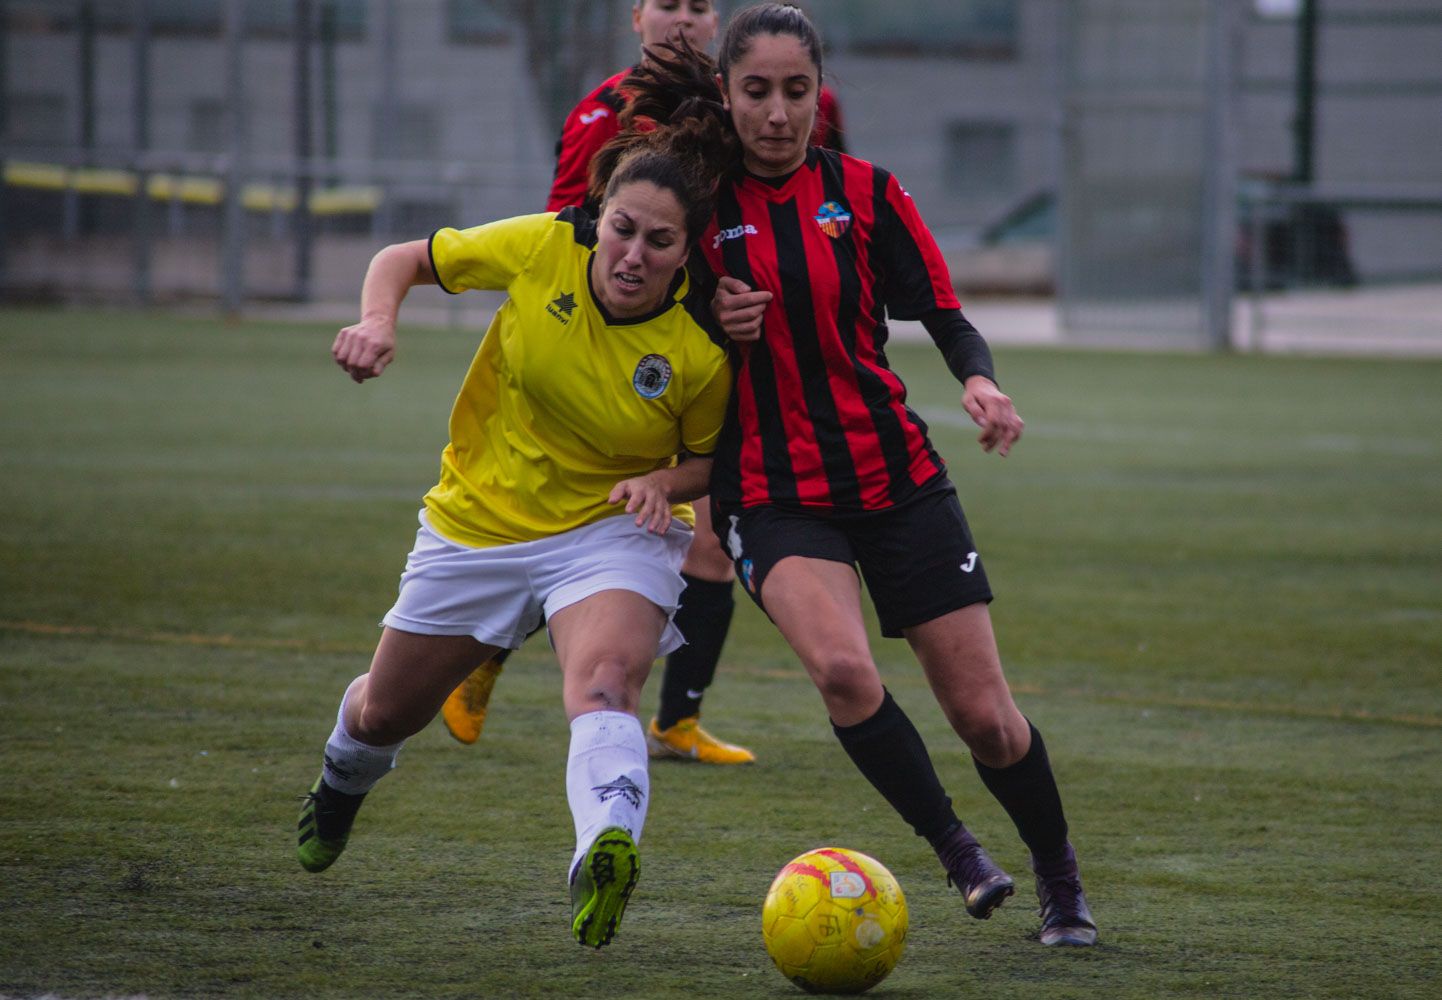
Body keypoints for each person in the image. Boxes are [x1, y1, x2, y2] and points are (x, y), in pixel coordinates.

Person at [627, 5, 1099, 947]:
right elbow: (638, 315)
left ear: (819, 95)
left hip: (899, 480)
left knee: (990, 723)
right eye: (756, 91)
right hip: (771, 492)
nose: (776, 113)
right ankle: (959, 852)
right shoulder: (699, 210)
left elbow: (948, 317)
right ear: (726, 94)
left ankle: (1061, 880)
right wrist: (721, 328)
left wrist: (980, 384)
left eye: (796, 91)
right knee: (844, 672)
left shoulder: (869, 193)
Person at [295, 116, 736, 952]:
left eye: (661, 241)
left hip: (610, 528)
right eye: (623, 229)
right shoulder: (540, 248)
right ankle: (338, 784)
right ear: (599, 216)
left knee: (606, 681)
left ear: (688, 252)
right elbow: (404, 260)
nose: (635, 253)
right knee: (385, 714)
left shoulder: (703, 343)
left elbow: (712, 461)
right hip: (479, 521)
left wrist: (660, 481)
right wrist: (379, 323)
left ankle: (602, 851)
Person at [445, 0, 848, 764]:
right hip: (635, 355)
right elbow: (574, 232)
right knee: (627, 526)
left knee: (707, 544)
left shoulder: (761, 109)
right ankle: (491, 647)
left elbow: (806, 205)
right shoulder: (603, 114)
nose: (684, 19)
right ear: (638, 16)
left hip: (725, 351)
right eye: (669, 3)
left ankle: (676, 719)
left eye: (700, 6)